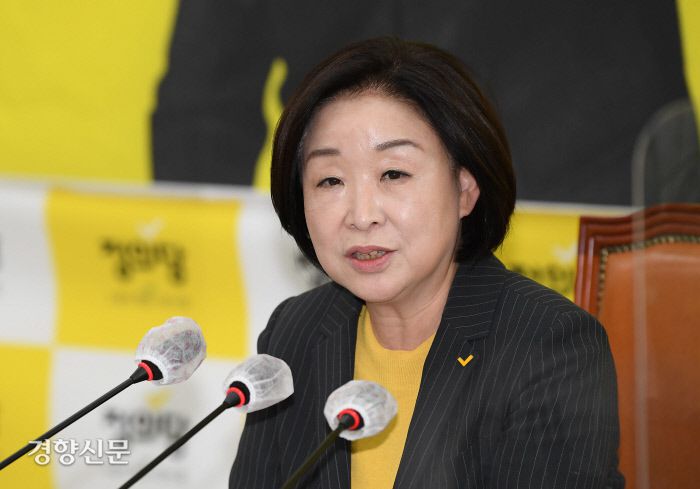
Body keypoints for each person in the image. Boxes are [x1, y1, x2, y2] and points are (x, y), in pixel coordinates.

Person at [230, 37, 623, 489]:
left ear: (465, 191)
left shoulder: (548, 346)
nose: (361, 215)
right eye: (331, 180)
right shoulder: (295, 332)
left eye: (393, 174)